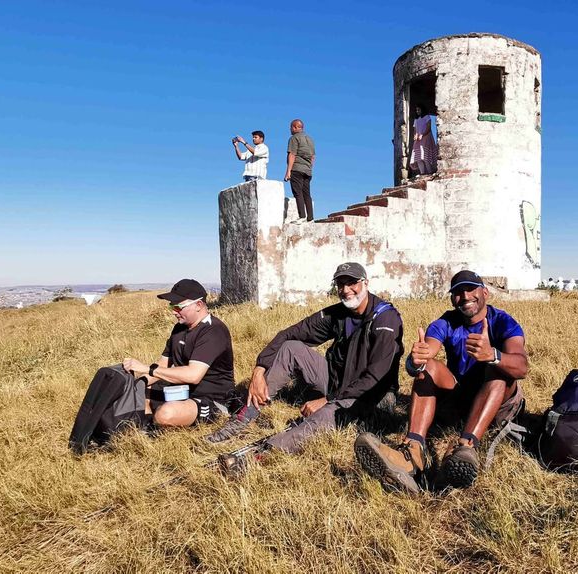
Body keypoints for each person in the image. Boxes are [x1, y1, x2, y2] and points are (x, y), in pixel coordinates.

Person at [210, 262, 404, 472]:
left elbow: (376, 375)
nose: (346, 290)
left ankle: (262, 455)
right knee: (291, 348)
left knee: (324, 415)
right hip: (337, 383)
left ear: (365, 283)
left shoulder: (385, 318)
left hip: (372, 395)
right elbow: (289, 334)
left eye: (352, 283)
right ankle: (244, 417)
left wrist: (329, 400)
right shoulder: (339, 313)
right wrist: (260, 368)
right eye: (340, 284)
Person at [355, 270, 529, 493]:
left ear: (485, 292)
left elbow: (522, 367)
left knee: (498, 372)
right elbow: (425, 354)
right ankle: (413, 450)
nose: (465, 296)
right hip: (462, 399)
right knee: (428, 367)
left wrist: (492, 355)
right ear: (451, 298)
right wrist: (415, 362)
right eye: (458, 292)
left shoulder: (504, 322)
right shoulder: (445, 322)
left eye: (470, 289)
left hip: (499, 404)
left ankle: (466, 446)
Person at [67, 280, 234, 454]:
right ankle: (137, 433)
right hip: (181, 391)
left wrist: (146, 369)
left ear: (199, 305)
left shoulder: (213, 331)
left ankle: (157, 429)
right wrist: (139, 384)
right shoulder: (179, 329)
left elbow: (193, 375)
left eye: (178, 307)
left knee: (165, 414)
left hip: (213, 399)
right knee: (139, 395)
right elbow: (163, 364)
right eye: (172, 307)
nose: (174, 312)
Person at [285, 119, 316, 221]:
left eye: (291, 127)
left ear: (295, 127)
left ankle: (302, 216)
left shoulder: (294, 138)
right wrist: (309, 168)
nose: (290, 129)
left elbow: (292, 154)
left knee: (298, 192)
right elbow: (313, 157)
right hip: (307, 170)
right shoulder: (310, 140)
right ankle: (310, 218)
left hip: (297, 168)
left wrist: (288, 171)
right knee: (307, 193)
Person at [409, 106, 439, 177]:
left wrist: (423, 134)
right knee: (418, 157)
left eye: (419, 110)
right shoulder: (416, 120)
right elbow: (415, 130)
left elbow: (428, 127)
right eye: (416, 110)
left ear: (422, 110)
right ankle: (422, 172)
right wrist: (415, 135)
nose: (417, 111)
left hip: (426, 138)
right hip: (418, 140)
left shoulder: (427, 117)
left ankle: (429, 172)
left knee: (425, 156)